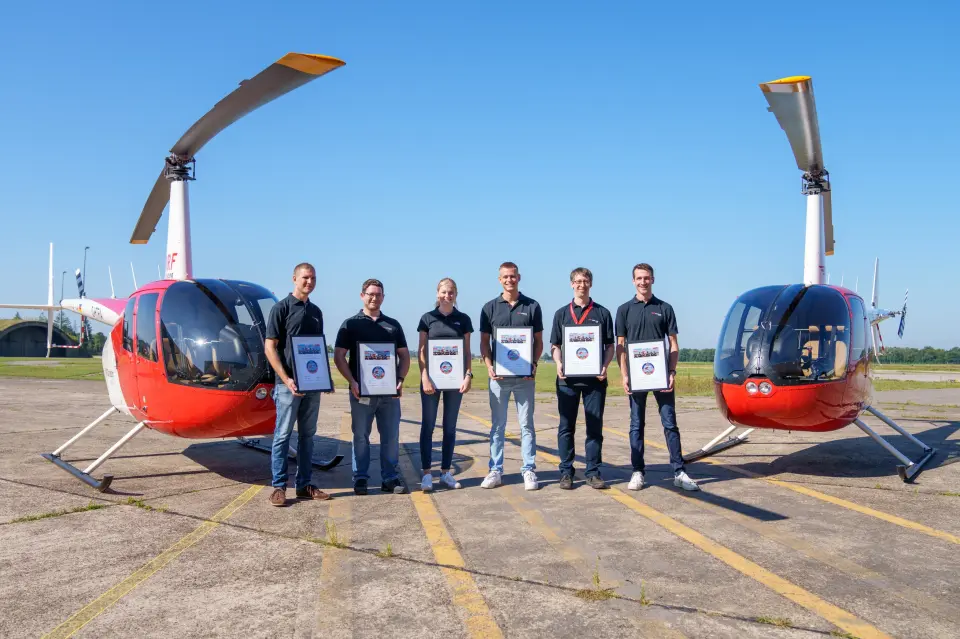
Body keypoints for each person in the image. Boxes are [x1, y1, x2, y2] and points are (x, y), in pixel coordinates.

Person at [615, 263, 699, 491]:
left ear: (653, 280)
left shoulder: (665, 308)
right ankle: (638, 471)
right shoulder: (623, 310)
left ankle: (679, 471)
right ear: (633, 281)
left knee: (670, 423)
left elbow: (673, 344)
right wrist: (624, 375)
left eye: (647, 278)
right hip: (635, 378)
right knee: (636, 425)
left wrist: (672, 372)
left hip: (661, 377)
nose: (643, 282)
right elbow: (620, 346)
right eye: (639, 278)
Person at [264, 263, 333, 506]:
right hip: (288, 386)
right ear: (294, 278)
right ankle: (279, 486)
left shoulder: (316, 311)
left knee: (308, 436)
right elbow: (270, 346)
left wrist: (325, 377)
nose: (309, 282)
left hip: (312, 386)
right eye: (305, 277)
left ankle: (304, 485)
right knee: (282, 436)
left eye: (313, 278)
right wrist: (286, 379)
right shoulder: (280, 308)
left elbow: (317, 348)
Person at [334, 278, 411, 495]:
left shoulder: (393, 325)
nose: (374, 298)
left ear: (383, 298)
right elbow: (339, 356)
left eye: (378, 294)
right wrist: (352, 382)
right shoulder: (350, 324)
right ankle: (360, 479)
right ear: (362, 295)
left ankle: (390, 478)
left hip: (388, 394)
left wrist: (400, 380)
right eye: (370, 294)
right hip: (361, 393)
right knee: (360, 436)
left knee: (391, 437)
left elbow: (404, 357)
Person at [478, 261, 543, 490]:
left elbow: (538, 341)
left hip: (524, 378)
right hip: (499, 378)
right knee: (497, 425)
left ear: (519, 277)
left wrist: (533, 364)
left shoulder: (532, 306)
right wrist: (489, 366)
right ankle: (495, 470)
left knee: (527, 425)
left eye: (513, 276)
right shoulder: (489, 308)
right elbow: (484, 343)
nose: (509, 280)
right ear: (499, 279)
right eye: (505, 277)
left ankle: (528, 469)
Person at [550, 267, 615, 490]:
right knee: (566, 427)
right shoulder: (561, 314)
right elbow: (555, 346)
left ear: (591, 284)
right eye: (577, 281)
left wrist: (605, 366)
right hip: (567, 380)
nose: (581, 285)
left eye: (585, 281)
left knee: (594, 428)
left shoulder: (603, 313)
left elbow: (609, 346)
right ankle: (566, 472)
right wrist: (558, 364)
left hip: (594, 381)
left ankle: (593, 472)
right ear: (571, 284)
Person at [417, 277, 474, 492]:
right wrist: (424, 376)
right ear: (437, 293)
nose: (447, 296)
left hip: (454, 381)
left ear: (456, 295)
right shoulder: (427, 318)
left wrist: (468, 375)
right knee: (428, 426)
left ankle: (445, 473)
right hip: (431, 381)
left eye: (451, 292)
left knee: (450, 428)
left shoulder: (464, 319)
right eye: (443, 292)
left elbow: (467, 351)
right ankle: (426, 474)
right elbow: (422, 350)